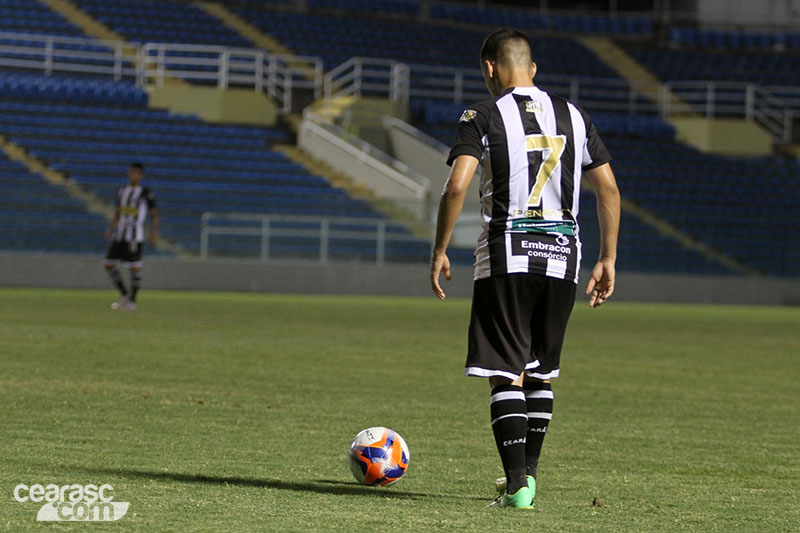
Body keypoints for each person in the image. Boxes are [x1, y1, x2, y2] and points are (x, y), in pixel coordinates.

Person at [429, 29, 620, 508]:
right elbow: (609, 190)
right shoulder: (575, 117)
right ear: (532, 69)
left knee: (504, 371)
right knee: (540, 373)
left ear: (490, 69)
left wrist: (439, 249)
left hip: (507, 254)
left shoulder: (483, 115)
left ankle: (516, 485)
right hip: (564, 258)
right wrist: (608, 257)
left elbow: (456, 187)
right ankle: (527, 477)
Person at [103, 162, 158, 311]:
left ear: (141, 175)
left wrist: (153, 233)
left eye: (136, 173)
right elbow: (118, 211)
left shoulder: (145, 192)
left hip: (134, 236)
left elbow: (154, 214)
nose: (132, 175)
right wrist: (110, 228)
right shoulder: (122, 191)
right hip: (119, 234)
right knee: (108, 264)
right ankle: (125, 295)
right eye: (131, 172)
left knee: (134, 267)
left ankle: (132, 301)